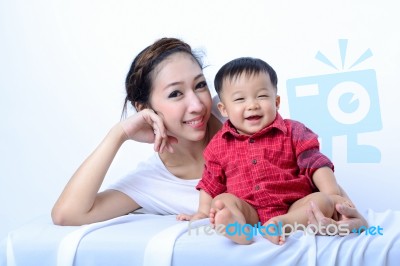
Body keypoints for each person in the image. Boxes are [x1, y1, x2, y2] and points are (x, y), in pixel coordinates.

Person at [51, 38, 367, 239]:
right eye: (176, 93)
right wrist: (118, 133)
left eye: (200, 85)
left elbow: (323, 183)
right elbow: (68, 214)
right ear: (145, 108)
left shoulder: (243, 115)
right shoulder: (152, 180)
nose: (197, 104)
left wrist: (351, 216)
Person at [177, 57, 360, 245]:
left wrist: (332, 193)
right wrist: (202, 212)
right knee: (223, 201)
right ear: (224, 109)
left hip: (294, 205)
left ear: (277, 101)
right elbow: (210, 182)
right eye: (240, 99)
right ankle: (238, 229)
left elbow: (316, 164)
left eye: (262, 96)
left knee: (321, 201)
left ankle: (283, 224)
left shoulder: (294, 131)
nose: (252, 105)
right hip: (249, 209)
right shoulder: (218, 145)